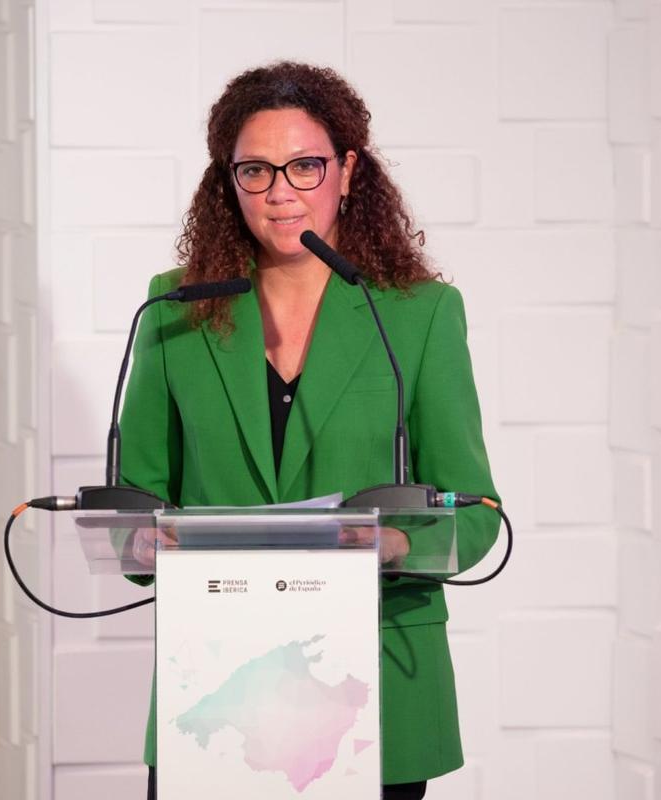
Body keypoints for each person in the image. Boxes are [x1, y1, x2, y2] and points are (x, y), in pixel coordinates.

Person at [119, 61, 500, 800]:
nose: (281, 191)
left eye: (305, 166)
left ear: (348, 170)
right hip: (219, 694)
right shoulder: (174, 308)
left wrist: (394, 542)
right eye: (255, 170)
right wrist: (137, 537)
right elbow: (138, 494)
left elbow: (476, 514)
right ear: (226, 182)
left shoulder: (419, 314)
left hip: (375, 693)